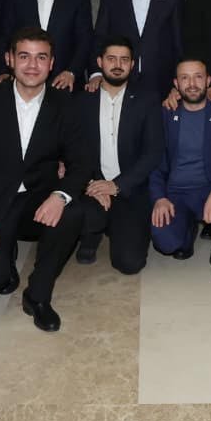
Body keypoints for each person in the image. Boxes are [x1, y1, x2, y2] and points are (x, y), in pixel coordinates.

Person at [0, 29, 92, 330]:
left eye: (41, 58)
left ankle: (38, 295)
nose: (32, 65)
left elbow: (82, 162)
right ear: (10, 59)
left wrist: (60, 196)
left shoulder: (66, 104)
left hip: (37, 200)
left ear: (51, 63)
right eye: (24, 56)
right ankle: (5, 261)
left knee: (72, 212)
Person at [74, 37, 165, 272]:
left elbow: (153, 152)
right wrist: (92, 184)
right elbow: (74, 150)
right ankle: (91, 235)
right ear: (100, 62)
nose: (117, 65)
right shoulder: (82, 100)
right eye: (111, 59)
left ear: (132, 64)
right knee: (78, 215)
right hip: (92, 186)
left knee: (129, 263)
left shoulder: (147, 99)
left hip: (130, 189)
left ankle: (116, 225)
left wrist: (117, 185)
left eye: (124, 60)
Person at [149, 58, 211, 279]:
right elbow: (154, 161)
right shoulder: (165, 114)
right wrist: (159, 198)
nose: (192, 84)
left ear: (208, 81)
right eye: (185, 78)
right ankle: (188, 229)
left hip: (209, 189)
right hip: (176, 193)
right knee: (165, 242)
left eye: (198, 77)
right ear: (176, 84)